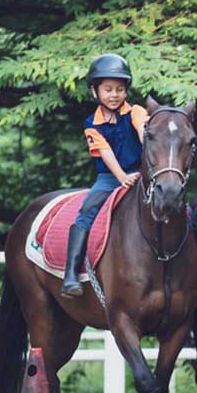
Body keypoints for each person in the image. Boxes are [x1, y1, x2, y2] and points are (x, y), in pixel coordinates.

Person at [62, 54, 147, 297]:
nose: (114, 94)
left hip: (141, 173)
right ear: (94, 91)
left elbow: (144, 134)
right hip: (111, 178)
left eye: (120, 89)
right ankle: (70, 274)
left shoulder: (136, 112)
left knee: (177, 203)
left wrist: (145, 167)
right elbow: (106, 153)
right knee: (87, 210)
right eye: (108, 89)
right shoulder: (92, 123)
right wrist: (122, 177)